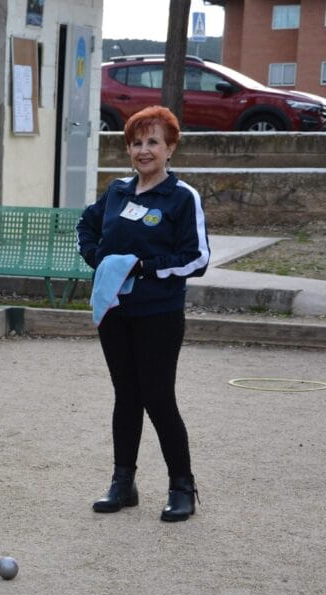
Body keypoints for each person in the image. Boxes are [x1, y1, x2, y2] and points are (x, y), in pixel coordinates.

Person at [76, 105, 210, 522]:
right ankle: (123, 482)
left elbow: (197, 258)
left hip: (159, 313)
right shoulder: (117, 191)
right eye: (136, 142)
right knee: (126, 397)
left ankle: (182, 487)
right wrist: (98, 258)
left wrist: (143, 267)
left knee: (158, 397)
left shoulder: (182, 197)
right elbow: (87, 225)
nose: (143, 150)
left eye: (153, 141)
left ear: (170, 147)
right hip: (116, 311)